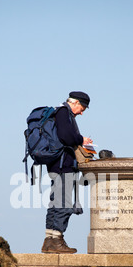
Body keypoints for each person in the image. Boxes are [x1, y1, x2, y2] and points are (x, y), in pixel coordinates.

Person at [41, 91, 92, 254]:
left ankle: (49, 241)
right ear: (75, 103)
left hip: (56, 165)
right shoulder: (64, 113)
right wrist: (81, 140)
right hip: (64, 165)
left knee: (55, 202)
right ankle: (57, 240)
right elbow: (67, 138)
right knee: (64, 203)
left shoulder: (59, 112)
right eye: (82, 108)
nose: (82, 112)